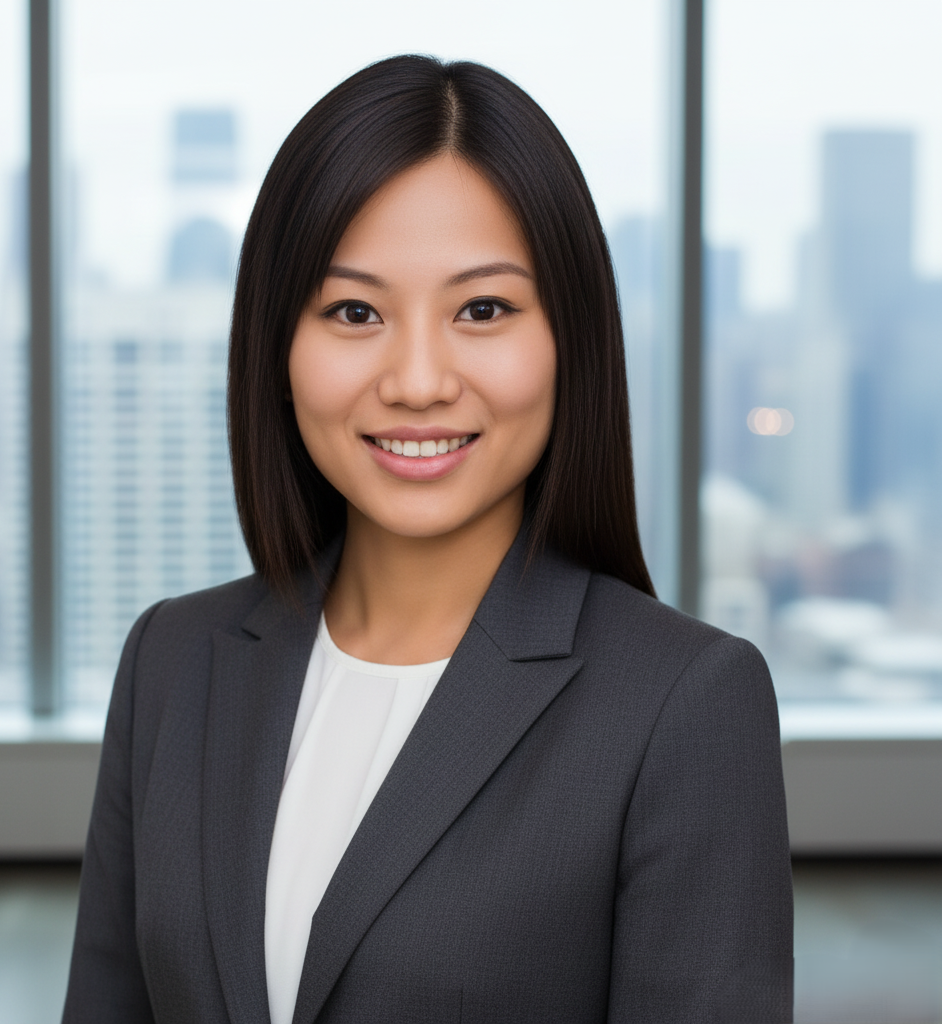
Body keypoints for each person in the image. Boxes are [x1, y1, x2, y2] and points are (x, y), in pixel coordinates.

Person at [62, 55, 793, 1024]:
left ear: (568, 341)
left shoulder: (684, 704)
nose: (416, 379)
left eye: (482, 309)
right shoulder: (172, 659)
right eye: (353, 311)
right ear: (278, 349)